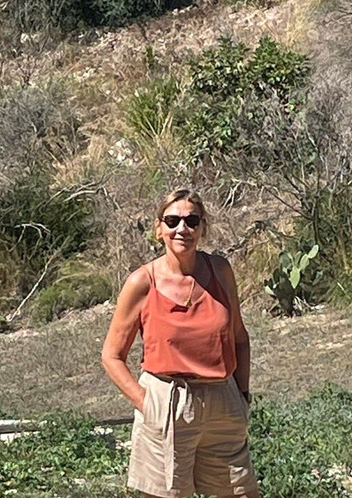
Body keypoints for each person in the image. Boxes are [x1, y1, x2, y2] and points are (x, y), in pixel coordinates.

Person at [101, 188, 260, 498]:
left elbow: (239, 337)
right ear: (159, 228)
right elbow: (111, 355)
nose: (182, 229)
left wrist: (242, 395)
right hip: (168, 401)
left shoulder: (220, 271)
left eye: (191, 220)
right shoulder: (142, 282)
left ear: (202, 227)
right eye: (172, 220)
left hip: (222, 399)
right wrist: (146, 403)